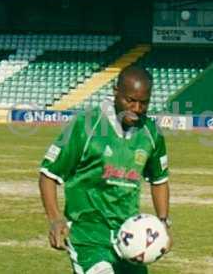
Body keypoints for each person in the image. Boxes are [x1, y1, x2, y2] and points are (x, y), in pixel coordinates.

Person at [39, 65, 172, 274]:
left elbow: (159, 180)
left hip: (130, 237)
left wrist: (163, 222)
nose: (137, 108)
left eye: (143, 103)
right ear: (116, 91)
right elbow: (48, 175)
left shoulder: (151, 133)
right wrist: (56, 219)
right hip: (87, 235)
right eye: (130, 100)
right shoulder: (85, 125)